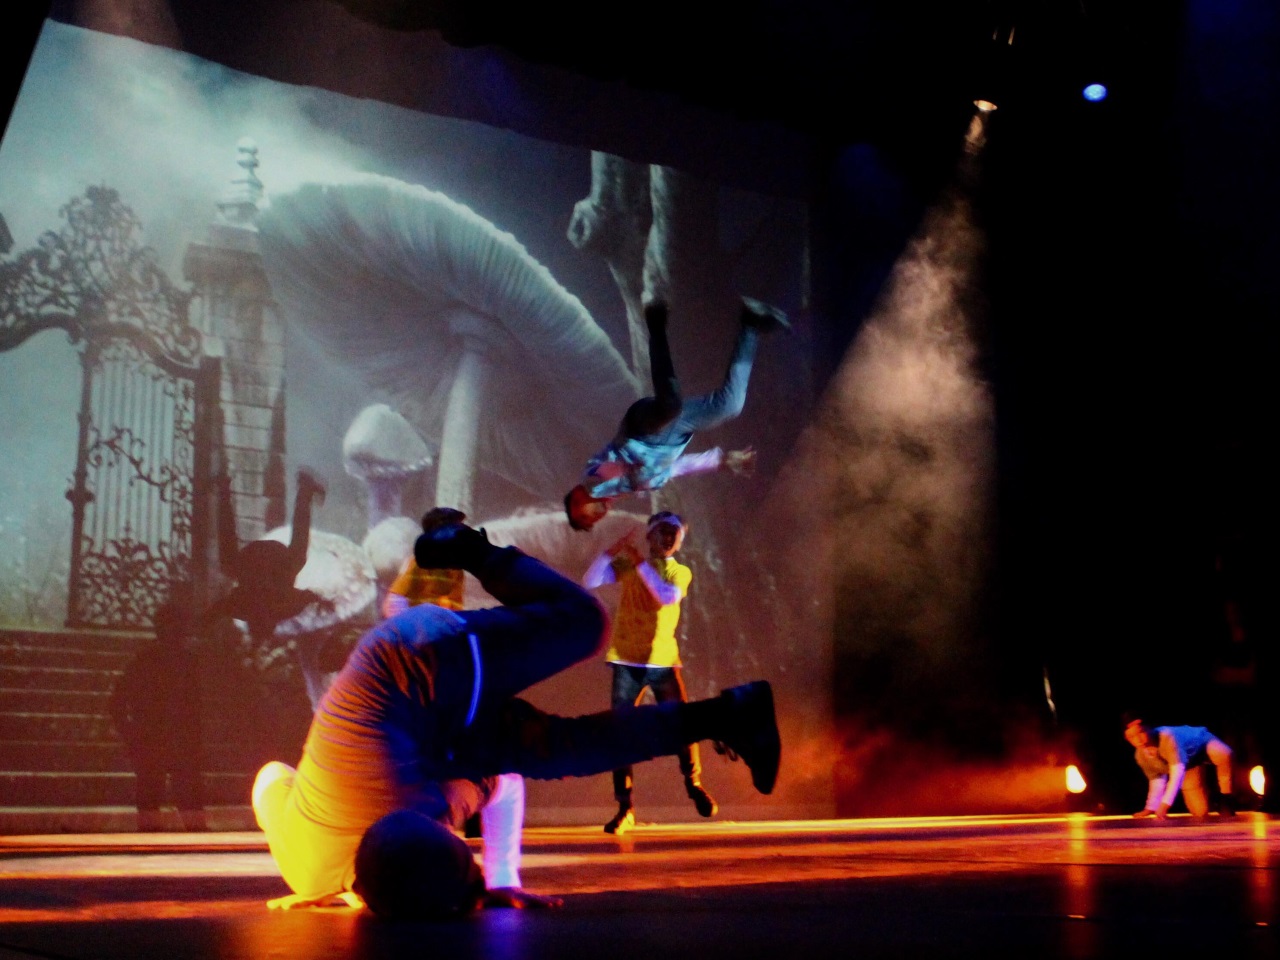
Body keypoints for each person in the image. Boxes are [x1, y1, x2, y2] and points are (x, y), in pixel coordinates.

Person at [251, 519, 781, 919]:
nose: (468, 850)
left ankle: (469, 548)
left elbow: (500, 786)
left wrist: (500, 877)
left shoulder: (430, 808)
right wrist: (498, 878)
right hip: (430, 732)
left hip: (416, 666)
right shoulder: (306, 866)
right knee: (561, 749)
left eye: (468, 860)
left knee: (585, 624)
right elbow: (269, 779)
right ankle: (731, 713)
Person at [564, 297, 788, 532]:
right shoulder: (634, 489)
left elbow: (600, 479)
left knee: (670, 405)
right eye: (592, 522)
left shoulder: (595, 479)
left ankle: (655, 323)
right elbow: (677, 468)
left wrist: (597, 490)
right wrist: (720, 461)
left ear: (578, 498)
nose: (596, 518)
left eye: (585, 516)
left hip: (641, 431)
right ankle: (751, 322)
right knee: (730, 405)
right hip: (674, 436)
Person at [583, 510, 716, 833]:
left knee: (683, 727)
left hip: (662, 663)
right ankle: (624, 807)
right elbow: (590, 581)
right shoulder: (629, 566)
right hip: (627, 663)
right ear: (650, 536)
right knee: (620, 734)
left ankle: (694, 783)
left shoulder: (679, 572)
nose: (668, 538)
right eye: (663, 532)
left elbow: (666, 597)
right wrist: (610, 553)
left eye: (674, 534)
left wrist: (638, 563)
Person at [109, 585, 206, 831]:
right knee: (177, 792)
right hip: (167, 737)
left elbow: (117, 702)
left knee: (159, 792)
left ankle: (156, 836)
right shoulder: (186, 663)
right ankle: (194, 836)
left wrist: (130, 733)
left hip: (159, 737)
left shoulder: (146, 661)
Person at [206, 467, 329, 644]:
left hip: (262, 558)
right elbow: (218, 610)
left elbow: (309, 596)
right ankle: (224, 488)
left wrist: (323, 602)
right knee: (229, 566)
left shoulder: (282, 608)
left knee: (296, 561)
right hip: (265, 558)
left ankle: (304, 491)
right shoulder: (245, 608)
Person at [1123, 715, 1236, 818]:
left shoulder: (1167, 737)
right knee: (1200, 812)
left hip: (1202, 744)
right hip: (1189, 764)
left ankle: (1226, 798)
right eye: (1132, 737)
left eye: (1141, 732)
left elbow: (1177, 773)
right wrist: (1151, 807)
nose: (1138, 739)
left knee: (1224, 754)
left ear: (1149, 729)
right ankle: (1213, 799)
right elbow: (1157, 780)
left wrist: (1165, 804)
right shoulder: (1140, 756)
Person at [381, 507, 467, 618]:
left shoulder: (456, 568)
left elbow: (455, 607)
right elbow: (393, 602)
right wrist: (411, 625)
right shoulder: (419, 563)